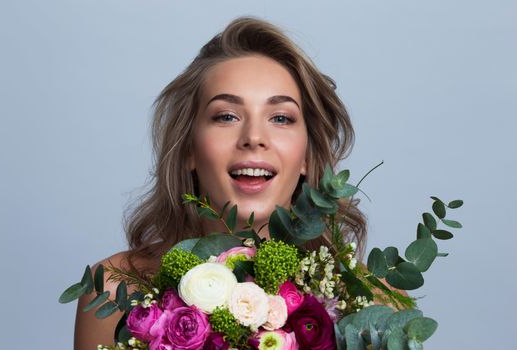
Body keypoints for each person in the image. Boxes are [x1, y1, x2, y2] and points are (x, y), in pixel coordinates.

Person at [74, 16, 367, 349]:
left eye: (281, 118)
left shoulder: (369, 302)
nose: (254, 137)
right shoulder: (111, 292)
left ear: (307, 157)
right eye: (226, 116)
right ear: (189, 149)